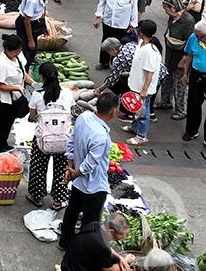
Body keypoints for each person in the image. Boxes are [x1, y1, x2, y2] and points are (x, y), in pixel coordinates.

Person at [58, 91, 118, 250]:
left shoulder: (83, 117)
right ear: (113, 111)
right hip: (94, 186)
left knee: (72, 211)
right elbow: (89, 165)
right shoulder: (101, 137)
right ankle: (82, 251)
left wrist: (71, 169)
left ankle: (65, 241)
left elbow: (71, 141)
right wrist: (73, 173)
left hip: (79, 182)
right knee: (90, 223)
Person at [26, 62, 73, 210]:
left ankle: (36, 196)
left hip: (43, 139)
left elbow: (32, 115)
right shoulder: (67, 93)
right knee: (60, 169)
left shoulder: (37, 95)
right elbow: (70, 112)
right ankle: (59, 200)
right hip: (63, 139)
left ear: (41, 76)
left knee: (39, 166)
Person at [0, 34, 35, 155]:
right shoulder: (1, 64)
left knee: (9, 123)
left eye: (19, 51)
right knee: (1, 125)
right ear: (7, 50)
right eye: (16, 52)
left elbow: (22, 72)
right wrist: (15, 88)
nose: (18, 54)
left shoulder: (18, 56)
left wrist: (32, 83)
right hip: (5, 100)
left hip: (16, 98)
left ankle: (3, 144)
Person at [120, 20, 162, 146]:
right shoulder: (141, 44)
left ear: (142, 33)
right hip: (136, 84)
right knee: (136, 108)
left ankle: (142, 135)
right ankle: (134, 127)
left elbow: (150, 72)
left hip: (143, 88)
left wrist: (144, 90)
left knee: (143, 112)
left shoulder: (150, 52)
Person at [155, 0, 194, 121]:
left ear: (173, 8)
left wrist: (185, 59)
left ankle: (181, 110)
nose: (165, 11)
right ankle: (165, 102)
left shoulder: (188, 21)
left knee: (179, 84)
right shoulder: (172, 17)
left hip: (180, 56)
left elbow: (190, 42)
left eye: (166, 9)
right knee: (167, 78)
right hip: (170, 53)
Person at [94, 0, 139, 70]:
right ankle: (104, 62)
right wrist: (98, 17)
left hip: (122, 23)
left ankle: (116, 64)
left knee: (119, 44)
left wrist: (133, 24)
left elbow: (134, 7)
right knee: (106, 41)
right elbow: (102, 1)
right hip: (108, 20)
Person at [60, 212, 135, 271]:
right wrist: (126, 260)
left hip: (67, 263)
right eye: (122, 235)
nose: (124, 237)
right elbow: (110, 269)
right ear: (111, 232)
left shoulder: (95, 224)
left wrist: (119, 258)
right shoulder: (102, 246)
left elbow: (104, 248)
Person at [15, 0, 61, 68]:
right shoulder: (33, 0)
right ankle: (23, 69)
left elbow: (43, 6)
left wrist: (43, 18)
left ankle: (28, 62)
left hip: (34, 23)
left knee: (33, 49)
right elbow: (26, 21)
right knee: (27, 50)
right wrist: (30, 40)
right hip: (25, 25)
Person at [180, 21, 206, 142]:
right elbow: (189, 55)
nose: (196, 37)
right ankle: (191, 130)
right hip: (196, 73)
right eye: (195, 35)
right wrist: (185, 73)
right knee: (193, 103)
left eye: (199, 36)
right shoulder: (193, 37)